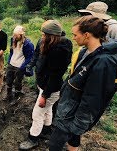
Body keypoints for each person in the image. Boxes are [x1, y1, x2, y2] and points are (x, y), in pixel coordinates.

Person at [48, 15, 117, 151]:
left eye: (75, 34)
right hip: (69, 108)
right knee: (71, 139)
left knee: (54, 145)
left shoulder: (103, 63)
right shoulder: (85, 52)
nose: (74, 38)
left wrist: (78, 125)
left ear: (87, 35)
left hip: (73, 115)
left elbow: (94, 98)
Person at [19, 20, 73, 150]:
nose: (41, 37)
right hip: (44, 83)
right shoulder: (47, 42)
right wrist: (31, 66)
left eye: (44, 35)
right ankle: (47, 129)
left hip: (51, 88)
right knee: (47, 109)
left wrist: (44, 95)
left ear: (52, 36)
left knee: (37, 113)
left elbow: (55, 75)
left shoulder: (60, 50)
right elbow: (37, 55)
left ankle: (33, 139)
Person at [78, 1, 117, 68]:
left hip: (106, 68)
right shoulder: (91, 26)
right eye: (86, 14)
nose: (86, 16)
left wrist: (114, 70)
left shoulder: (114, 28)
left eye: (89, 14)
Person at [5, 25, 34, 101]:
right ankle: (9, 95)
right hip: (11, 64)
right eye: (13, 35)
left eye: (16, 35)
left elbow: (29, 58)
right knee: (8, 80)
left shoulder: (28, 44)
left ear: (21, 35)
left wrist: (22, 67)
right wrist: (9, 61)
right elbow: (12, 51)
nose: (14, 37)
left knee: (18, 82)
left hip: (20, 66)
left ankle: (17, 97)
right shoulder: (12, 40)